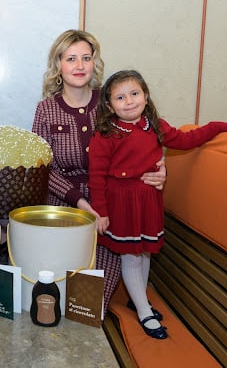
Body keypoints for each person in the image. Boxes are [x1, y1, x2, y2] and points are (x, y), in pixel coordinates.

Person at [89, 69, 227, 339]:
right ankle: (144, 310)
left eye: (134, 94)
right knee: (131, 255)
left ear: (146, 96)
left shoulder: (155, 126)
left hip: (148, 200)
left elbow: (186, 140)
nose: (129, 101)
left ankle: (138, 299)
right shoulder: (106, 134)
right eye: (120, 97)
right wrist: (101, 212)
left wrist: (220, 126)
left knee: (144, 252)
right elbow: (96, 176)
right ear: (109, 106)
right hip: (122, 202)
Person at [31, 30, 166, 317]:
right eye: (71, 59)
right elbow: (43, 168)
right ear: (58, 65)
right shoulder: (45, 109)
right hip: (63, 210)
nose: (79, 66)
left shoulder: (112, 102)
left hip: (110, 212)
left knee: (88, 308)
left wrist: (160, 166)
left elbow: (147, 139)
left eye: (86, 58)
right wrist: (80, 201)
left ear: (95, 63)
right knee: (56, 300)